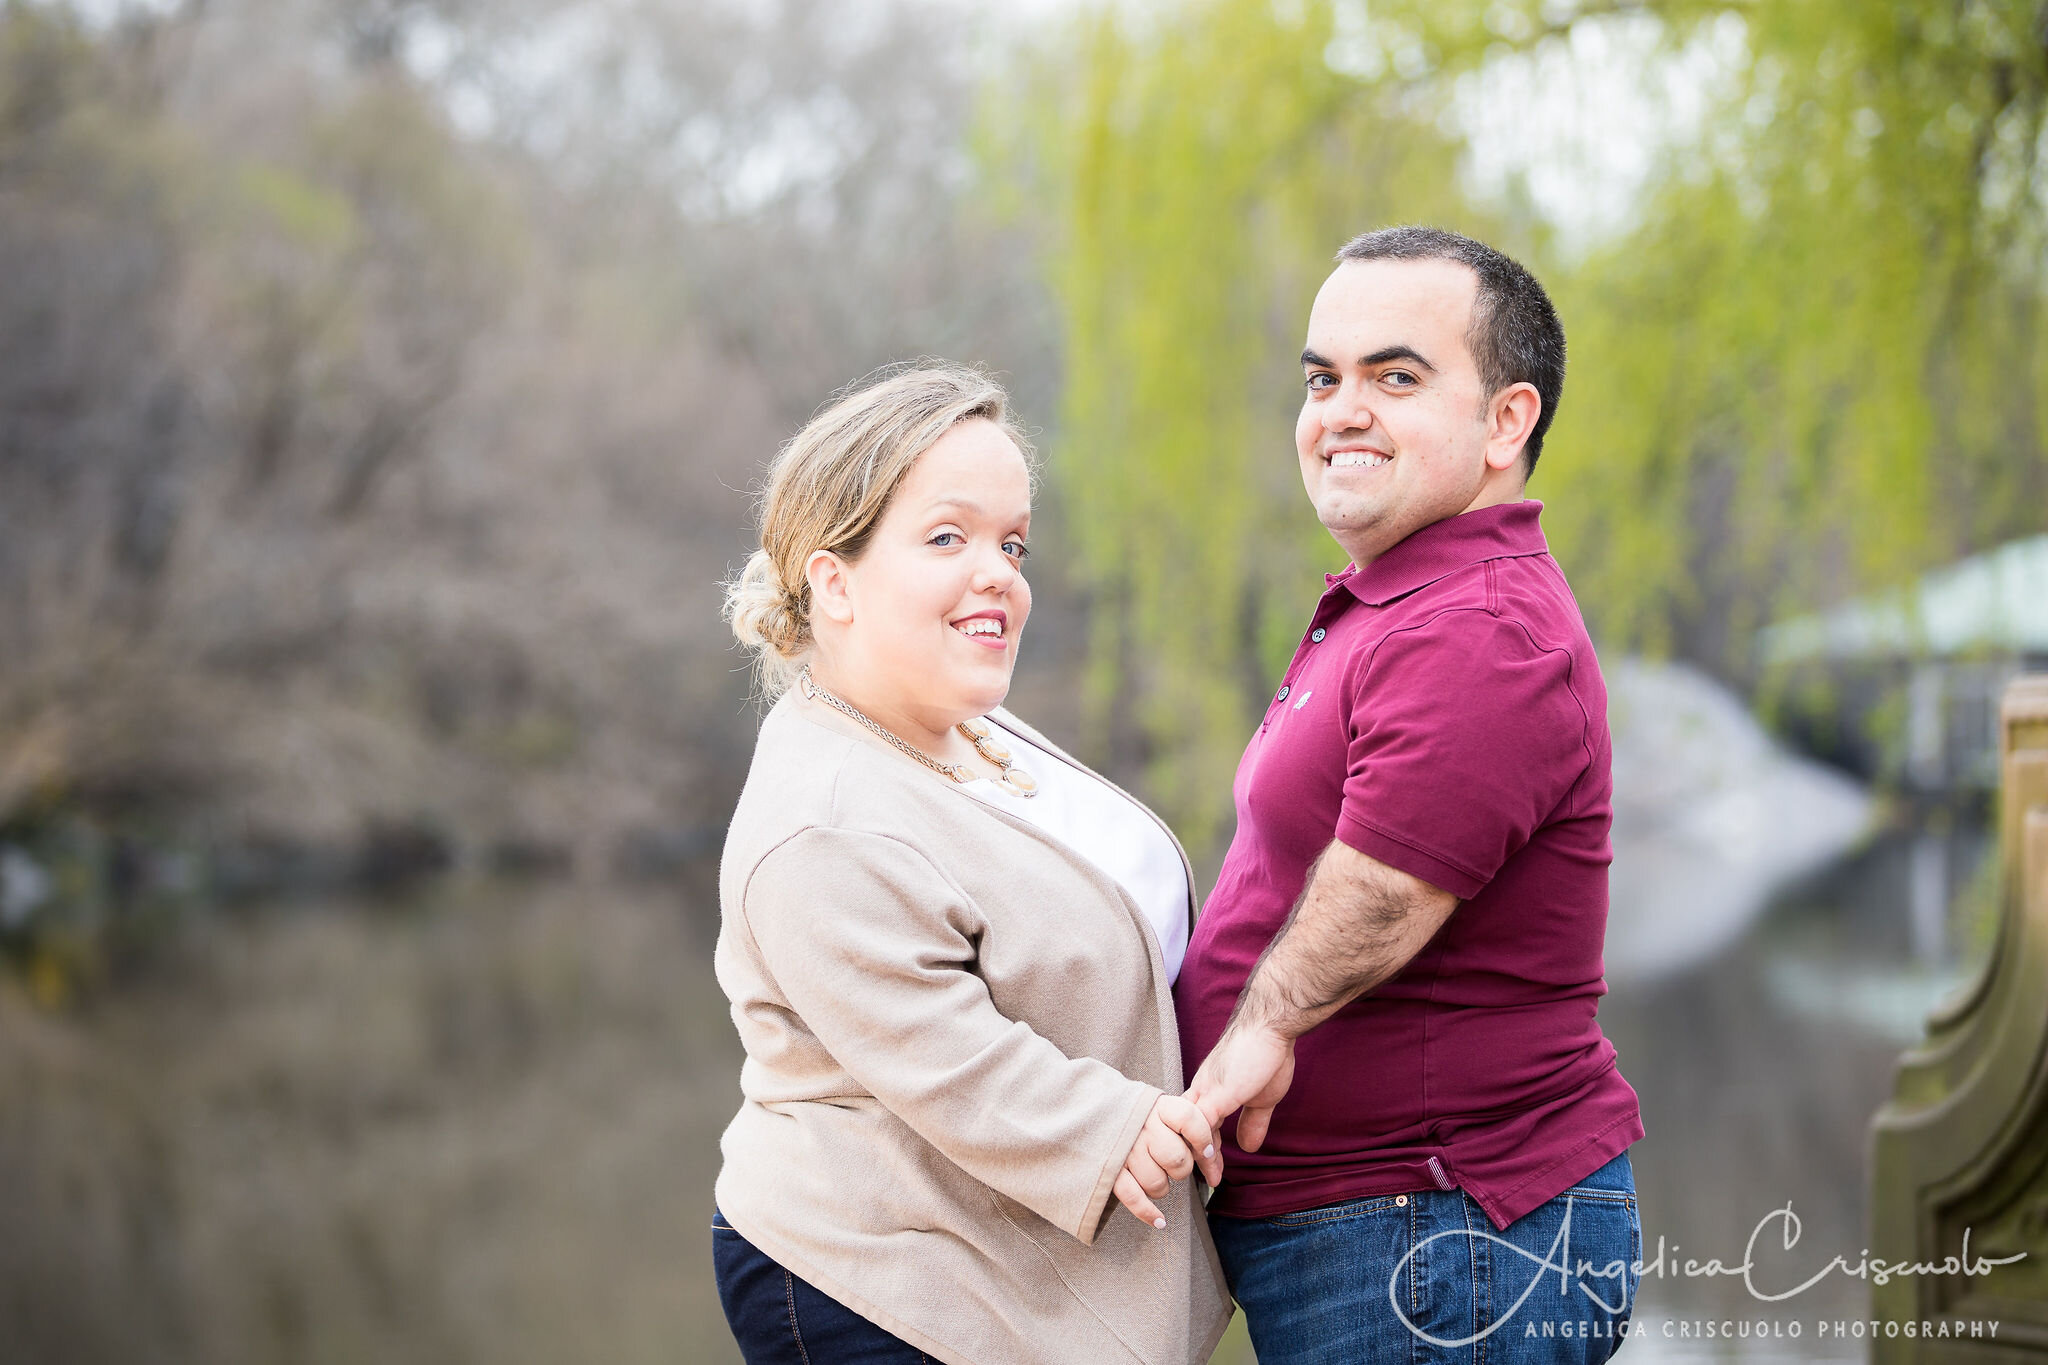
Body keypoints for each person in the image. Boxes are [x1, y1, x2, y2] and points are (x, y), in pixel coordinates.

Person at [1176, 227, 1646, 1363]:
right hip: (1395, 1237)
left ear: (1504, 421)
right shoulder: (1405, 603)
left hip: (1441, 1237)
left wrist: (1259, 1025)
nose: (1339, 408)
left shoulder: (1475, 628)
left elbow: (1385, 891)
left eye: (1393, 376)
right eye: (1320, 378)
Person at [712, 362, 1232, 1365]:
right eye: (947, 538)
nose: (997, 571)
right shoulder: (821, 817)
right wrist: (1124, 1127)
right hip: (881, 1284)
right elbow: (943, 1052)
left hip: (996, 1251)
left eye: (1011, 542)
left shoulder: (963, 726)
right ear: (833, 582)